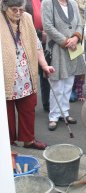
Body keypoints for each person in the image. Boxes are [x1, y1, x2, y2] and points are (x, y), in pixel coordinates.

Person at [0, 0, 55, 149]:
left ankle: (28, 140)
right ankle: (8, 143)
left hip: (25, 74)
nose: (18, 13)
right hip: (6, 76)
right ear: (4, 8)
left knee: (28, 108)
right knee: (6, 114)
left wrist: (44, 65)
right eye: (14, 9)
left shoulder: (27, 19)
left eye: (21, 9)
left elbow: (36, 45)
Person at [42, 0, 86, 131]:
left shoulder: (73, 3)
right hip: (57, 48)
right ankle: (54, 116)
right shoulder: (47, 3)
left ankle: (64, 113)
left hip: (74, 48)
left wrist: (76, 38)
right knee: (57, 84)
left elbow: (79, 23)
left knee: (68, 83)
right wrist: (66, 41)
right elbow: (48, 26)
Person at [25, 0, 50, 112]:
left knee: (45, 74)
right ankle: (30, 103)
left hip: (46, 42)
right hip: (30, 42)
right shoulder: (24, 2)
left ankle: (47, 103)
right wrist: (40, 33)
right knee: (31, 74)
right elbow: (23, 24)